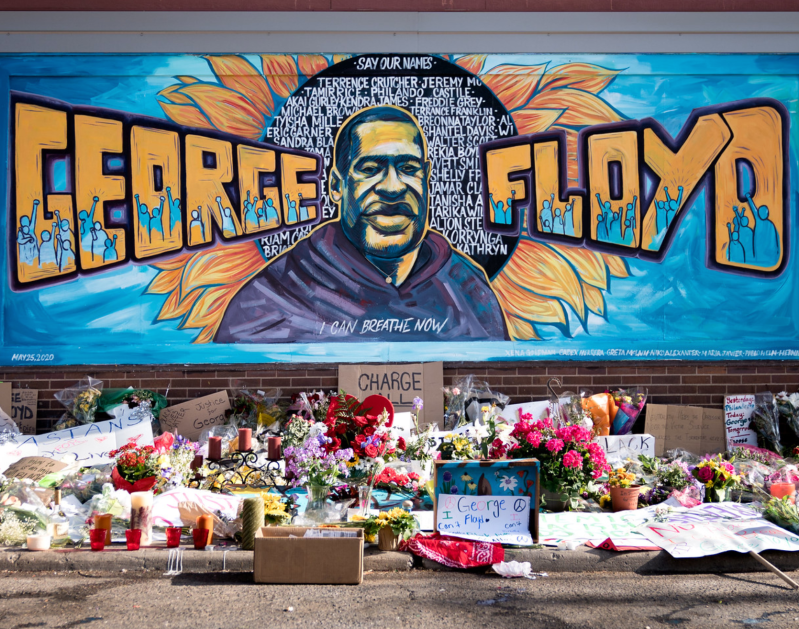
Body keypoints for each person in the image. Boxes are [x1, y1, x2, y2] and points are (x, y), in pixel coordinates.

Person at [216, 105, 508, 343]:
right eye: (370, 169)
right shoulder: (271, 299)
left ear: (426, 177)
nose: (393, 188)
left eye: (408, 168)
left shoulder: (468, 291)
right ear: (336, 185)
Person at [747, 193, 780, 267]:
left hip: (766, 255)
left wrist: (748, 197)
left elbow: (753, 209)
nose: (760, 213)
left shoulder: (764, 222)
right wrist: (749, 198)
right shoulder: (769, 223)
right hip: (766, 255)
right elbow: (753, 208)